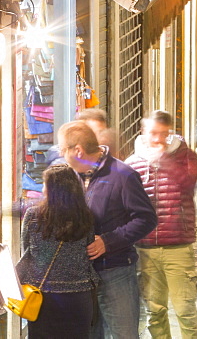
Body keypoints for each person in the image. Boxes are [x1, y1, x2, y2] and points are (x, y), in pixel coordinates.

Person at [57, 121, 157, 339]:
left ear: (78, 150)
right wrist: (7, 208)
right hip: (83, 277)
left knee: (124, 335)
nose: (60, 155)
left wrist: (108, 241)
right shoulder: (70, 176)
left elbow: (146, 219)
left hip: (116, 273)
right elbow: (51, 206)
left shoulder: (123, 175)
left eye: (63, 149)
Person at [125, 111, 197, 339]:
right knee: (154, 312)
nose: (158, 139)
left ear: (170, 133)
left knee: (185, 310)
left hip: (178, 246)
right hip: (145, 247)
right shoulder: (133, 163)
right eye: (153, 133)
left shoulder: (186, 157)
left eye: (163, 134)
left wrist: (164, 160)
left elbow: (188, 184)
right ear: (143, 132)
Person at [16, 164, 101, 338]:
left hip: (43, 297)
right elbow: (89, 254)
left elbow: (28, 253)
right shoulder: (86, 217)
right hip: (79, 297)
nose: (42, 188)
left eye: (45, 184)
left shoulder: (34, 216)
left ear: (51, 189)